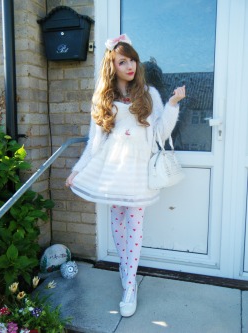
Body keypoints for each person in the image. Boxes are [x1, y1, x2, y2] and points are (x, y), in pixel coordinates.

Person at [66, 34, 185, 317]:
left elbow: (159, 134)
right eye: (123, 61)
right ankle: (126, 270)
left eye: (132, 60)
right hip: (112, 170)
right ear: (113, 65)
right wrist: (77, 170)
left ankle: (129, 285)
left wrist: (172, 105)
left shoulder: (149, 95)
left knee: (135, 227)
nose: (130, 66)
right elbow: (96, 142)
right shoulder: (104, 98)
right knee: (118, 223)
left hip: (138, 172)